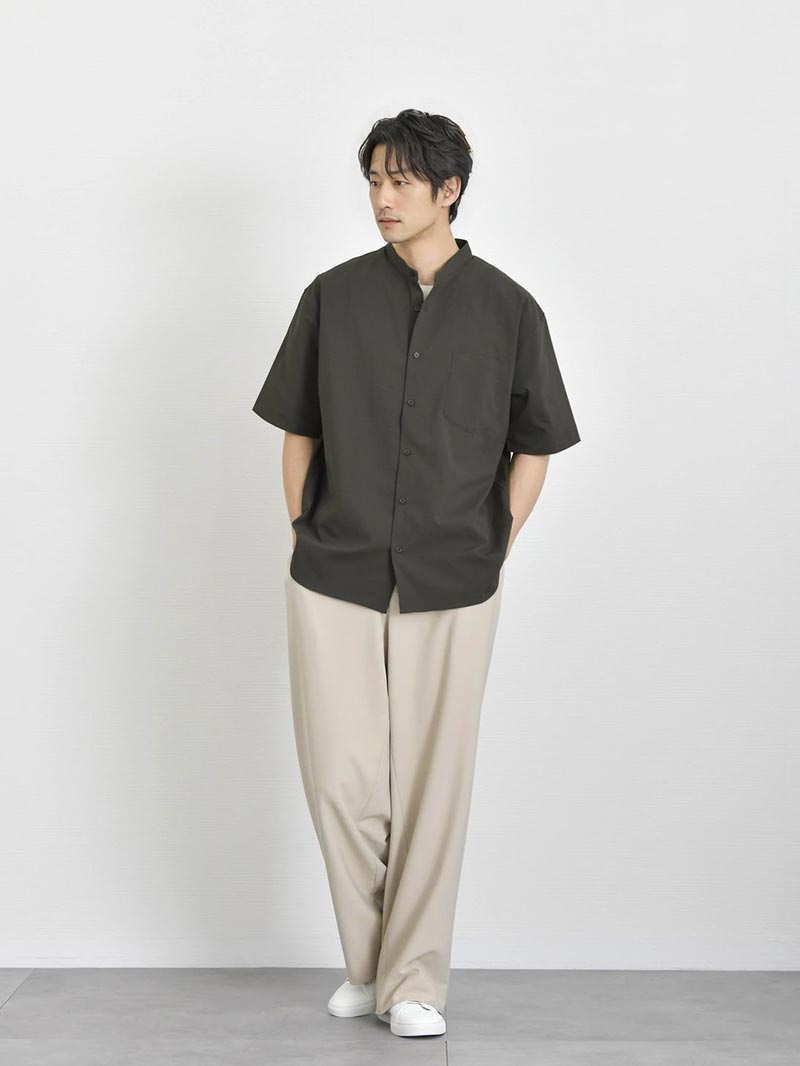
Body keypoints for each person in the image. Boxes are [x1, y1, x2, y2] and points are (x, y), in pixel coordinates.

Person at [252, 108, 581, 1038]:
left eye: (401, 181)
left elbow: (536, 442)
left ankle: (414, 981)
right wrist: (302, 531)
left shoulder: (510, 309)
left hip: (454, 575)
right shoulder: (333, 296)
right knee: (341, 777)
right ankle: (371, 965)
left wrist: (497, 541)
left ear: (450, 190)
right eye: (374, 180)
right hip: (336, 567)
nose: (383, 198)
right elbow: (299, 430)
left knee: (435, 781)